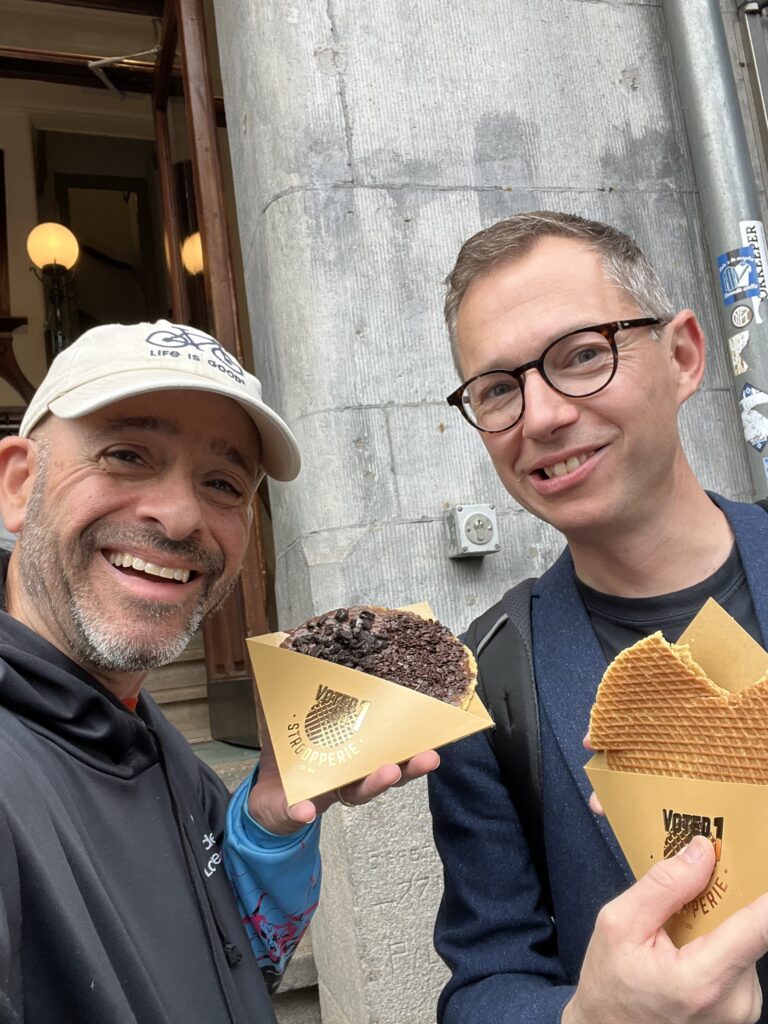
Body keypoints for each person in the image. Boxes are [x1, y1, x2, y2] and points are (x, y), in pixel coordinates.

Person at [0, 319, 438, 1024]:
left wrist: (270, 819)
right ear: (19, 484)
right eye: (126, 455)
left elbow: (231, 957)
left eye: (222, 483)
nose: (180, 517)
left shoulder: (143, 735)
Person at [428, 211, 768, 1024]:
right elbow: (484, 988)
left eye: (582, 355)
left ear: (683, 356)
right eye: (498, 389)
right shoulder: (486, 682)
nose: (541, 416)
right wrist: (588, 1017)